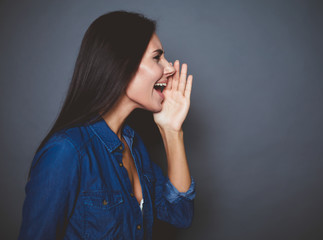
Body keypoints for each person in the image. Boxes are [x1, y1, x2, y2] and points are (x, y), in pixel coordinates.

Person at [18, 10, 195, 240]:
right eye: (157, 57)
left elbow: (180, 214)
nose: (170, 68)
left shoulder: (133, 144)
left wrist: (172, 131)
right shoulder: (66, 151)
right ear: (123, 64)